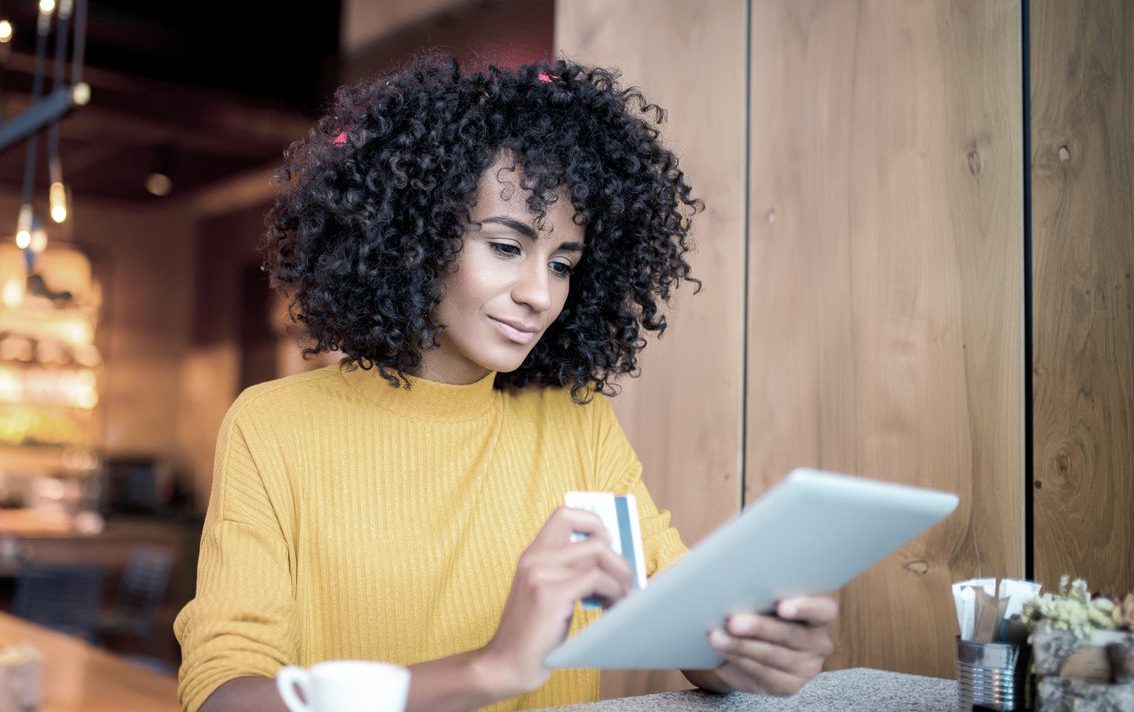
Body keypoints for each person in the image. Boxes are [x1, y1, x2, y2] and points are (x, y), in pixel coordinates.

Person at [174, 54, 837, 712]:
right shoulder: (274, 426)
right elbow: (224, 696)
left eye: (564, 264)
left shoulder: (577, 422)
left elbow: (680, 614)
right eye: (506, 246)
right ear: (415, 233)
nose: (541, 295)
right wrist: (488, 670)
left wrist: (749, 645)